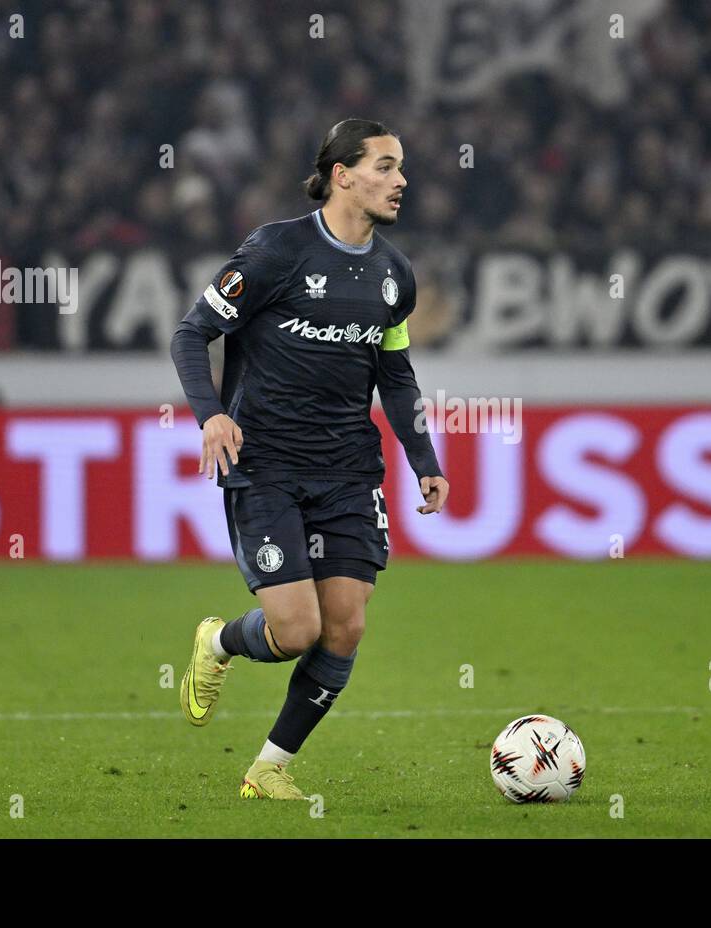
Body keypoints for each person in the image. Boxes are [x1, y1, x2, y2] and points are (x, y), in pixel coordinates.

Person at [169, 119, 450, 799]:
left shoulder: (394, 276)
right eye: (386, 166)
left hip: (349, 472)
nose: (401, 180)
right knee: (297, 630)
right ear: (342, 174)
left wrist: (424, 459)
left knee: (346, 626)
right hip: (265, 465)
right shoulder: (275, 251)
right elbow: (192, 332)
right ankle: (220, 642)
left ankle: (268, 767)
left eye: (402, 167)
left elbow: (397, 374)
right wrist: (211, 416)